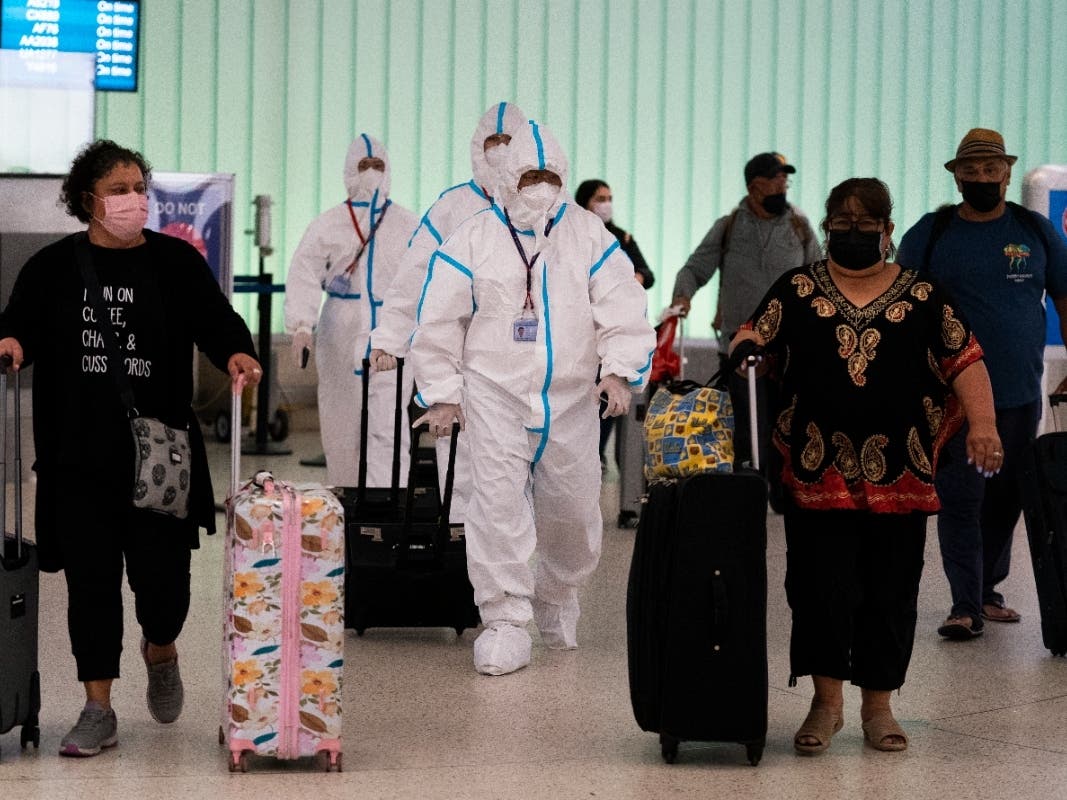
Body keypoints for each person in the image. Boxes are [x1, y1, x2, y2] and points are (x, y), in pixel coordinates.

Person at [0, 139, 261, 757]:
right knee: (91, 585)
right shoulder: (53, 267)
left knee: (164, 586)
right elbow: (19, 323)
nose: (134, 199)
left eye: (140, 188)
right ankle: (98, 707)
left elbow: (216, 321)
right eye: (120, 190)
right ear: (88, 198)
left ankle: (161, 649)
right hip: (77, 459)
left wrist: (237, 350)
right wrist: (10, 342)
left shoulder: (175, 263)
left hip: (159, 457)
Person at [731, 177, 1001, 754]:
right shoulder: (799, 287)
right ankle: (825, 705)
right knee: (817, 589)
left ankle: (878, 708)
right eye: (841, 225)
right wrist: (744, 347)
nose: (852, 234)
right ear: (826, 228)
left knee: (891, 592)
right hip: (814, 472)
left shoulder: (925, 295)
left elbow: (966, 361)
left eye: (864, 225)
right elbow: (755, 335)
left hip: (900, 477)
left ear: (887, 230)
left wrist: (984, 426)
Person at [408, 120, 656, 676]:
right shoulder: (472, 236)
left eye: (548, 175)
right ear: (507, 175)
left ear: (562, 177)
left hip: (570, 402)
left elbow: (621, 303)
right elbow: (439, 318)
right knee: (496, 507)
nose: (538, 186)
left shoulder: (589, 234)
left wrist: (619, 370)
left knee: (572, 513)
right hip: (492, 394)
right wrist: (444, 393)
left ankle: (557, 589)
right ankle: (504, 618)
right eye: (528, 175)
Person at [896, 128, 1067, 640]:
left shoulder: (1036, 232)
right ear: (956, 176)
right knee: (961, 496)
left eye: (991, 170)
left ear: (1008, 174)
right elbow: (899, 303)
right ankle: (964, 604)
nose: (982, 178)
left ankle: (988, 589)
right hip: (946, 395)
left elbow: (1064, 298)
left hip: (1018, 390)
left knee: (1007, 496)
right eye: (971, 171)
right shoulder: (932, 233)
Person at [369, 101, 527, 521]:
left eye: (507, 141)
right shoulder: (452, 207)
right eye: (490, 142)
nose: (498, 151)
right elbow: (413, 276)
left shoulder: (546, 208)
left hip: (526, 361)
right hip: (460, 355)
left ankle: (510, 575)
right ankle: (463, 564)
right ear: (477, 147)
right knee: (460, 469)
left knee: (518, 473)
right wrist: (389, 337)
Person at [672, 152, 821, 472]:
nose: (783, 187)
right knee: (749, 427)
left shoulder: (799, 225)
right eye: (776, 180)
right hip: (740, 346)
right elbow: (694, 269)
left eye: (785, 180)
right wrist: (682, 298)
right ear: (755, 186)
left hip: (792, 347)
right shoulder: (729, 227)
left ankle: (787, 497)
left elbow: (820, 277)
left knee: (793, 426)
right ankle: (749, 493)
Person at [284, 134, 419, 487]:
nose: (371, 173)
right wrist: (301, 325)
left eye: (378, 166)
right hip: (341, 326)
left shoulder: (408, 223)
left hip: (392, 329)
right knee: (340, 416)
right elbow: (304, 271)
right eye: (363, 166)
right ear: (349, 171)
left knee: (389, 422)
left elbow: (426, 278)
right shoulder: (328, 223)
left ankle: (388, 503)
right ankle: (344, 494)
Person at [574, 178, 655, 468]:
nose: (606, 204)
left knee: (607, 390)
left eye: (609, 197)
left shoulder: (621, 237)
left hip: (607, 332)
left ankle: (598, 454)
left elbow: (646, 271)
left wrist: (633, 281)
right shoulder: (570, 235)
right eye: (600, 198)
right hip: (578, 331)